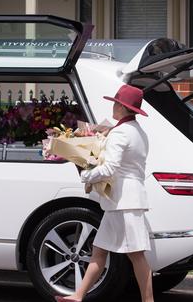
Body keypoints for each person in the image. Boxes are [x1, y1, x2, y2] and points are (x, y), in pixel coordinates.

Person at [57, 84, 152, 302]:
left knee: (136, 255)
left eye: (115, 102)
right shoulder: (138, 132)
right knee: (99, 251)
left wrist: (86, 175)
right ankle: (78, 296)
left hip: (123, 202)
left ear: (121, 106)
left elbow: (110, 168)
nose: (113, 106)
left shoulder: (120, 132)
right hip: (124, 201)